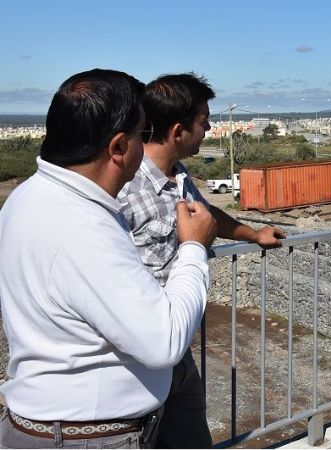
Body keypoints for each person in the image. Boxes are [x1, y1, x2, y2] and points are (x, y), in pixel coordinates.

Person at [0, 69, 217, 448]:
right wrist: (194, 248)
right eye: (143, 133)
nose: (147, 145)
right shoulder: (84, 227)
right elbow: (163, 341)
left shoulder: (26, 197)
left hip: (47, 426)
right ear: (118, 148)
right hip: (88, 437)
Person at [117, 72, 285, 448]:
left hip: (177, 354)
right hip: (137, 357)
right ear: (179, 131)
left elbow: (207, 215)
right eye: (204, 121)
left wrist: (254, 234)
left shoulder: (178, 176)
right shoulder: (125, 188)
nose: (209, 128)